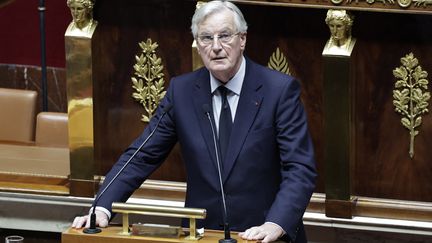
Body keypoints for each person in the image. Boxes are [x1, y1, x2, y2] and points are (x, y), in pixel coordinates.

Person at [72, 1, 316, 242]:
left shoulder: (279, 90)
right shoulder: (183, 91)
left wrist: (276, 223)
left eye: (225, 36)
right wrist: (102, 207)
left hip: (263, 235)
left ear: (242, 39)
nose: (216, 47)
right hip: (200, 235)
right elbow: (141, 155)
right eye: (206, 38)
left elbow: (299, 168)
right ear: (198, 45)